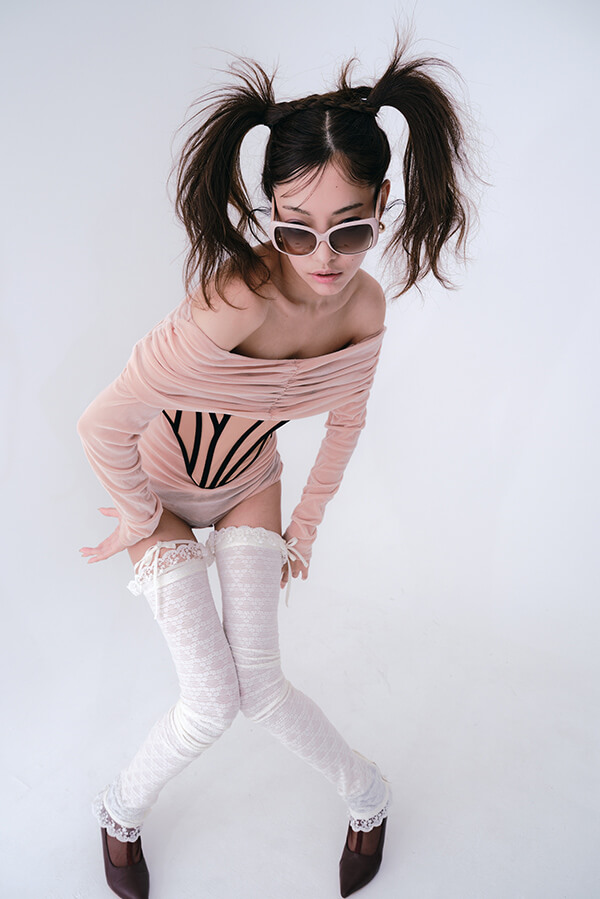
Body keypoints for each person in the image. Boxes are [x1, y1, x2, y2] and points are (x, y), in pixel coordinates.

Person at [77, 34, 474, 899]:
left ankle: (368, 795)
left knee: (259, 687)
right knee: (209, 700)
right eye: (296, 231)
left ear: (384, 204)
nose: (324, 257)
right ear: (270, 216)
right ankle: (119, 809)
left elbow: (347, 420)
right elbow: (102, 424)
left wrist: (307, 523)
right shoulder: (236, 300)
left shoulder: (366, 308)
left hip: (251, 483)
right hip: (163, 491)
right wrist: (138, 516)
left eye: (351, 229)